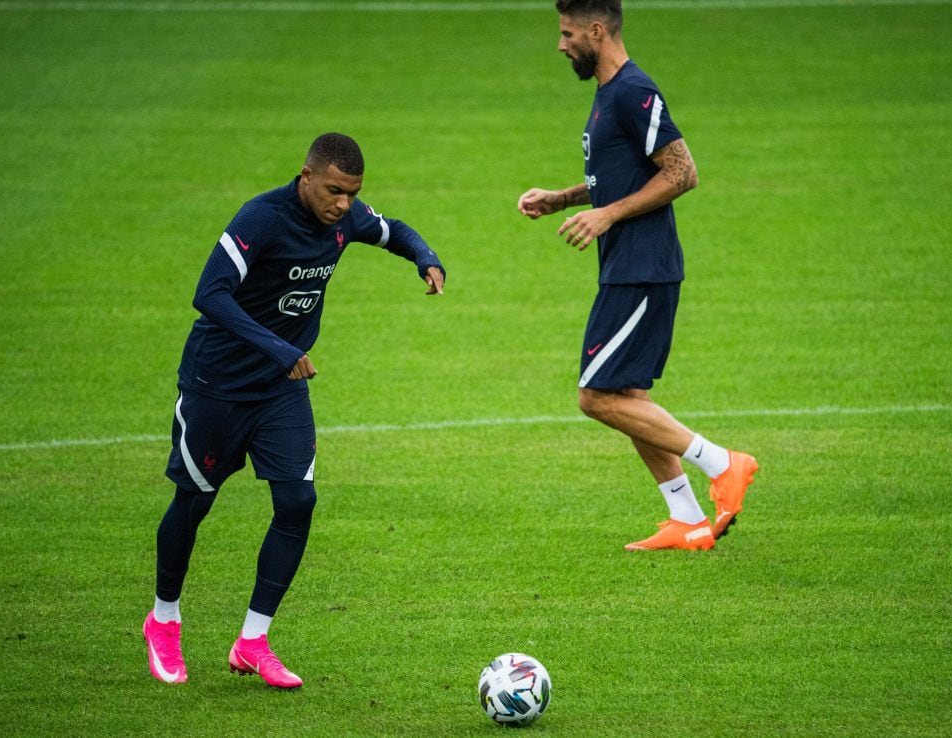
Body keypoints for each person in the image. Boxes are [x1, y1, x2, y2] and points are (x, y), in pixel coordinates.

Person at [143, 133, 445, 688]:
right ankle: (163, 620)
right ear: (305, 175)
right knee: (194, 502)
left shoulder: (345, 219)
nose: (344, 204)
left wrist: (424, 257)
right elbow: (210, 293)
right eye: (334, 191)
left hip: (280, 389)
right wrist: (282, 348)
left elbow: (393, 230)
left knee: (298, 500)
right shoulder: (260, 219)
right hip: (218, 384)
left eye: (353, 194)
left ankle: (252, 641)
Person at [517, 0, 757, 552]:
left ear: (597, 31)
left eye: (568, 33)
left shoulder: (632, 90)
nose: (561, 44)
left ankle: (724, 464)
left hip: (643, 268)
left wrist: (607, 214)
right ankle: (688, 519)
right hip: (627, 266)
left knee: (596, 397)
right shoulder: (607, 96)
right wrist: (564, 199)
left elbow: (682, 171)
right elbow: (621, 175)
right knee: (625, 393)